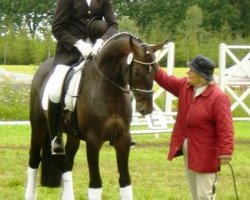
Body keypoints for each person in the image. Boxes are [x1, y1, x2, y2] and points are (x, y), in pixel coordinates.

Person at [154, 55, 234, 199]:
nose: (187, 73)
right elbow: (166, 80)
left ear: (202, 76)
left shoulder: (218, 97)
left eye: (191, 70)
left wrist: (226, 151)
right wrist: (152, 64)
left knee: (204, 195)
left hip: (207, 153)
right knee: (195, 193)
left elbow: (226, 126)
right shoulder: (185, 86)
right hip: (189, 148)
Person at [47, 0, 118, 155]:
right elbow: (57, 28)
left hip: (98, 53)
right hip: (69, 53)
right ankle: (56, 137)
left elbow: (113, 25)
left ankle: (120, 128)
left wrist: (101, 41)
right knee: (55, 89)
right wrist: (78, 44)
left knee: (119, 77)